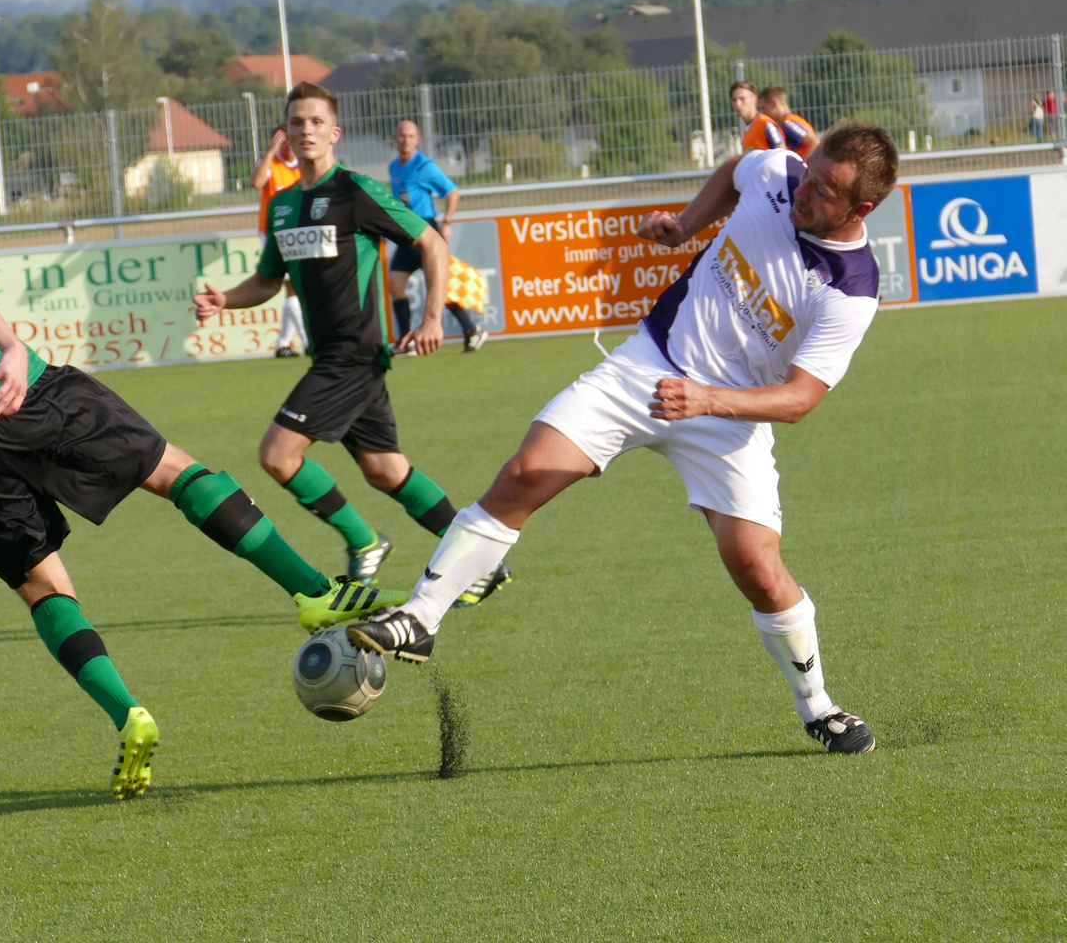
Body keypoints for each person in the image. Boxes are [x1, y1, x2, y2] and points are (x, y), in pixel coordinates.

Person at [0, 123, 404, 800]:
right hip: (23, 395)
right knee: (176, 474)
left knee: (44, 590)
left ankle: (127, 713)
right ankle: (310, 592)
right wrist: (8, 343)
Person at [351, 121, 899, 755]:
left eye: (824, 191)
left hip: (727, 415)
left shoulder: (850, 291)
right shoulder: (780, 172)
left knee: (756, 567)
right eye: (809, 174)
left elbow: (801, 399)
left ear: (861, 208)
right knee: (525, 473)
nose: (804, 192)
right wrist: (690, 224)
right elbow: (734, 171)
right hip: (647, 364)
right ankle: (420, 619)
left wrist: (707, 400)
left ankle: (818, 708)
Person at [194, 83, 509, 605]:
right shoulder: (284, 206)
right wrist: (223, 300)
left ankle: (365, 542)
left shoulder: (355, 191)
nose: (306, 130)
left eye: (317, 121)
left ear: (334, 132)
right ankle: (482, 564)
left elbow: (431, 243)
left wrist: (433, 317)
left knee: (277, 455)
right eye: (297, 122)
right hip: (334, 356)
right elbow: (269, 282)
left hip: (354, 353)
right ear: (286, 135)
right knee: (385, 470)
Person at [387, 120, 486, 353]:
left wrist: (447, 221)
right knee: (395, 283)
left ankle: (472, 330)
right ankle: (406, 341)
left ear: (418, 139)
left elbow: (452, 191)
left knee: (438, 286)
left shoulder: (424, 166)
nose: (405, 140)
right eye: (402, 136)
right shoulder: (394, 166)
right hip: (405, 235)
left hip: (425, 232)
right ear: (395, 138)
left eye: (410, 136)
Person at [251, 125, 307, 357]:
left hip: (299, 233)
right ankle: (308, 341)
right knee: (293, 285)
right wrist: (272, 150)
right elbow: (257, 182)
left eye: (290, 141)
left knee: (294, 287)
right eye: (282, 142)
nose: (287, 147)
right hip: (273, 234)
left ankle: (283, 344)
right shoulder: (271, 162)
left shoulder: (304, 166)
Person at [758, 86, 820, 159]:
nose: (762, 113)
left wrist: (802, 166)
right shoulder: (788, 122)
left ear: (773, 104)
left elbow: (814, 142)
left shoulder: (789, 123)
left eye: (763, 108)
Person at [732, 81, 777, 153]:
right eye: (734, 100)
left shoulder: (765, 123)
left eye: (742, 99)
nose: (737, 104)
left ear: (754, 99)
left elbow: (782, 150)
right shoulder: (747, 129)